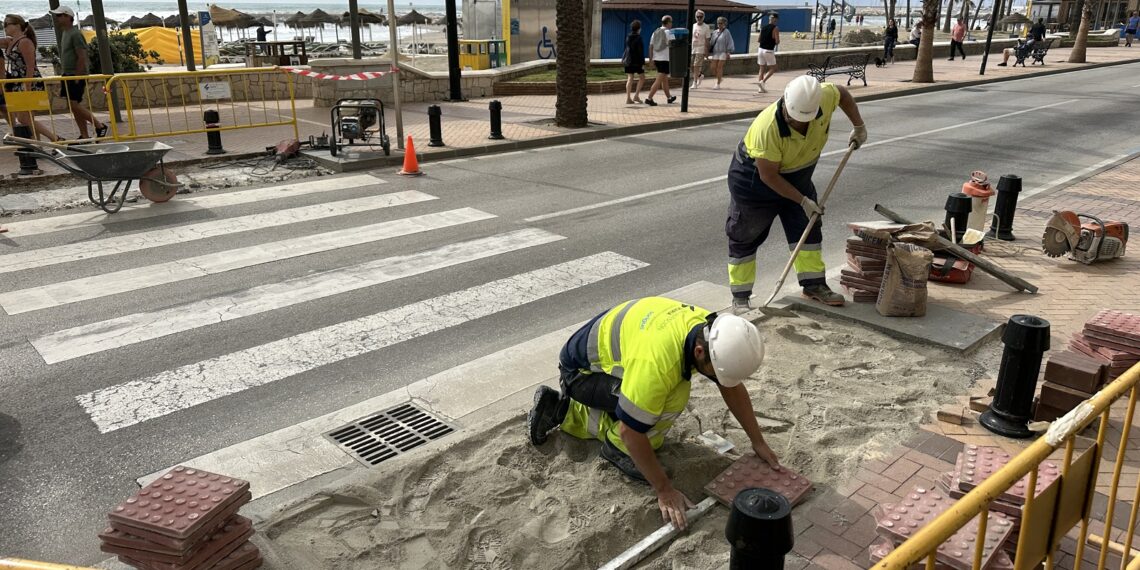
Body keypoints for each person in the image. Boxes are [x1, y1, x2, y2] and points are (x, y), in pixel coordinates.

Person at [527, 298, 774, 530]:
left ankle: (561, 408)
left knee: (655, 397)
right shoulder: (658, 365)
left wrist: (758, 441)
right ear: (699, 352)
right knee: (668, 399)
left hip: (604, 357)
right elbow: (631, 432)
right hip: (580, 374)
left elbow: (730, 387)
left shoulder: (711, 330)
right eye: (716, 372)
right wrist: (664, 490)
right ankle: (594, 433)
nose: (718, 379)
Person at [726, 76, 867, 312]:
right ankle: (740, 297)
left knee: (807, 229)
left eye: (804, 120)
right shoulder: (768, 127)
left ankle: (813, 285)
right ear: (786, 104)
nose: (797, 124)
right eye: (793, 119)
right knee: (746, 236)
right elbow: (769, 176)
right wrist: (802, 200)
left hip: (797, 175)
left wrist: (859, 126)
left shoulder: (823, 97)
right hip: (755, 182)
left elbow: (842, 93)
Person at [51, 6, 108, 140]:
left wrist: (77, 75)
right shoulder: (66, 33)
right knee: (73, 106)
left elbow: (82, 56)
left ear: (67, 17)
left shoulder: (75, 34)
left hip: (75, 74)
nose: (57, 18)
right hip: (68, 74)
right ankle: (84, 134)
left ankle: (99, 126)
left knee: (74, 105)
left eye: (59, 16)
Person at [2, 14, 61, 142]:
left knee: (24, 118)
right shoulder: (10, 41)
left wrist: (27, 85)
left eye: (7, 24)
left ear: (17, 25)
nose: (4, 27)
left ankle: (55, 138)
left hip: (28, 81)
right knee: (27, 117)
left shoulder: (25, 42)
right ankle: (38, 144)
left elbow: (31, 65)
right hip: (17, 82)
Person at [644, 15, 675, 106]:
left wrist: (651, 59)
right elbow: (674, 45)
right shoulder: (669, 32)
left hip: (656, 59)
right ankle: (649, 98)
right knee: (658, 80)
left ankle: (669, 98)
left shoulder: (655, 32)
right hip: (665, 59)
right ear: (668, 22)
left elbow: (651, 46)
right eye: (671, 22)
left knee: (664, 80)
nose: (671, 24)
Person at [707, 16, 734, 90]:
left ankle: (718, 83)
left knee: (719, 67)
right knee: (712, 67)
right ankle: (719, 78)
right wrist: (708, 50)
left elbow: (730, 42)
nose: (719, 24)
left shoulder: (727, 32)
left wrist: (728, 52)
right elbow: (712, 42)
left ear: (724, 23)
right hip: (716, 52)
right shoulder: (715, 32)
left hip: (723, 52)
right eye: (718, 23)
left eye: (721, 23)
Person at [624, 20, 646, 104]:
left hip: (629, 60)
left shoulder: (628, 37)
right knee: (642, 77)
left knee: (630, 78)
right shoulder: (639, 38)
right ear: (639, 29)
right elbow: (640, 52)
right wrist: (643, 63)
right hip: (637, 61)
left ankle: (628, 98)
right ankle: (636, 95)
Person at [756, 13, 779, 94]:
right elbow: (777, 41)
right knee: (773, 68)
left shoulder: (763, 27)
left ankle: (761, 89)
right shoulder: (775, 28)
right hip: (768, 50)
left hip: (760, 49)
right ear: (775, 19)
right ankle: (762, 82)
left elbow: (758, 40)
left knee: (761, 69)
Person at [690, 11, 710, 89]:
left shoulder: (706, 27)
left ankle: (694, 83)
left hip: (701, 48)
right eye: (697, 16)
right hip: (693, 48)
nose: (699, 18)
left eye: (700, 17)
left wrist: (706, 51)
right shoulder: (693, 26)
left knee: (696, 65)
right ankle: (699, 75)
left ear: (703, 17)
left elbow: (707, 40)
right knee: (691, 66)